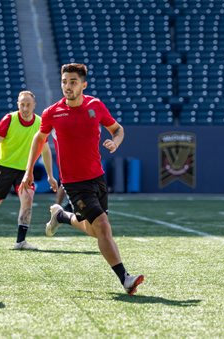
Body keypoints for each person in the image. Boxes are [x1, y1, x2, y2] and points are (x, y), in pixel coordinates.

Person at [21, 63, 144, 295]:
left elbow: (118, 129)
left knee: (94, 230)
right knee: (103, 227)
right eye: (65, 82)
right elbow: (39, 140)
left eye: (73, 82)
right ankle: (125, 278)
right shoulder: (52, 113)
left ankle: (61, 216)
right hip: (74, 183)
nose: (67, 86)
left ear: (83, 85)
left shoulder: (95, 106)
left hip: (97, 178)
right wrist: (29, 171)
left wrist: (115, 142)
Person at [0, 91, 58, 250]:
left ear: (34, 105)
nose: (25, 108)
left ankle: (20, 241)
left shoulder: (40, 123)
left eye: (28, 104)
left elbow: (46, 150)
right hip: (3, 168)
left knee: (27, 200)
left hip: (25, 171)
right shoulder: (9, 119)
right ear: (17, 104)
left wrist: (50, 176)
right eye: (22, 104)